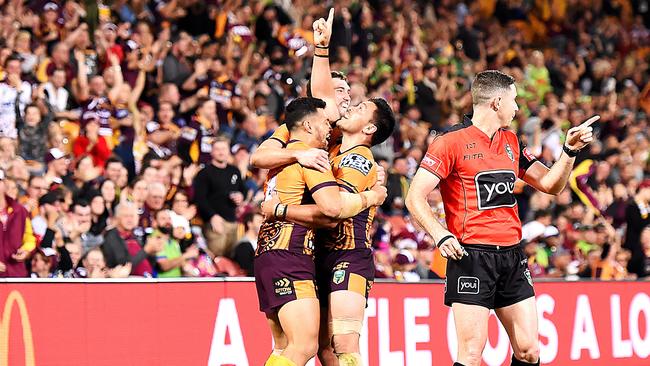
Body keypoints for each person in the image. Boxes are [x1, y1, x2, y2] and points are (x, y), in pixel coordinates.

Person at [405, 70, 598, 366]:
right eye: (514, 100)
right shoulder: (449, 142)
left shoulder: (511, 141)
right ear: (496, 102)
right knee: (471, 354)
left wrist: (569, 151)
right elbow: (414, 195)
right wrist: (440, 234)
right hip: (471, 256)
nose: (517, 108)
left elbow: (551, 185)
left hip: (512, 255)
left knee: (529, 350)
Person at [254, 96, 386, 366]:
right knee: (306, 346)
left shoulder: (289, 150)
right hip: (295, 254)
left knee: (311, 347)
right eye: (326, 121)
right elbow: (332, 209)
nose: (332, 123)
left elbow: (259, 157)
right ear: (309, 125)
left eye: (357, 105)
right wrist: (374, 196)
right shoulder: (314, 156)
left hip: (321, 255)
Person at [193, 136, 246, 257]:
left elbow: (243, 189)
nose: (221, 152)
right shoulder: (204, 173)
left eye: (224, 149)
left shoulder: (234, 171)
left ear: (228, 151)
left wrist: (240, 196)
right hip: (214, 224)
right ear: (211, 151)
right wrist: (212, 216)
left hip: (234, 223)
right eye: (217, 149)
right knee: (216, 258)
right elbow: (200, 198)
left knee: (232, 259)